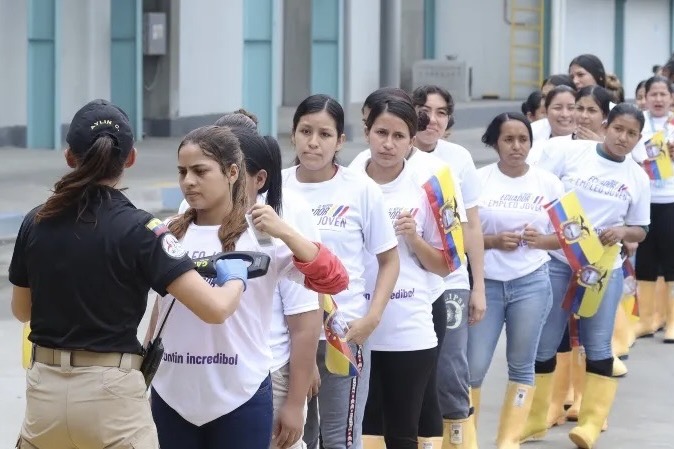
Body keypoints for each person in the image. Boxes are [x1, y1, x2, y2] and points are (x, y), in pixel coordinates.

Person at [9, 100, 250, 449]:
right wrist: (236, 277)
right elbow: (214, 308)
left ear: (69, 157)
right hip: (111, 397)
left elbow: (22, 310)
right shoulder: (142, 229)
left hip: (45, 394)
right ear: (131, 158)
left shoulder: (36, 221)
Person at [148, 125, 348, 449]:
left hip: (241, 396)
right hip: (172, 394)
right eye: (182, 172)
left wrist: (286, 231)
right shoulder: (170, 231)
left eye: (200, 171)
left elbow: (335, 280)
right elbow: (160, 310)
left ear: (232, 173)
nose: (188, 181)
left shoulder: (263, 235)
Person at [528, 104, 650, 449]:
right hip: (558, 261)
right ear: (606, 126)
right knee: (546, 342)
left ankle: (592, 423)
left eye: (631, 134)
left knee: (597, 345)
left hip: (602, 270)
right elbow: (543, 194)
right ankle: (536, 419)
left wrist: (623, 230)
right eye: (618, 129)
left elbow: (641, 229)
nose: (622, 138)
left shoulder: (637, 177)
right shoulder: (573, 153)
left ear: (638, 138)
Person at [282, 94, 400, 449]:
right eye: (305, 131)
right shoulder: (276, 188)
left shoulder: (361, 189)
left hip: (342, 334)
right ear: (293, 134)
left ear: (340, 141)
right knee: (294, 437)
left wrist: (371, 319)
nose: (313, 142)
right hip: (288, 336)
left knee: (340, 439)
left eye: (325, 134)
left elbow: (389, 259)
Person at [354, 97, 456, 449]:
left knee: (402, 433)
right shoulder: (348, 182)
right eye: (381, 133)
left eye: (399, 136)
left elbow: (446, 265)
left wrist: (414, 238)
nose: (388, 144)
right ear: (366, 132)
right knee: (360, 428)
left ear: (412, 140)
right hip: (355, 325)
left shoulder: (430, 186)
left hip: (408, 328)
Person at [467, 112, 562, 449]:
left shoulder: (548, 183)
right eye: (508, 139)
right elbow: (463, 236)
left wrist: (541, 240)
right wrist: (493, 241)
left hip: (532, 282)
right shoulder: (478, 180)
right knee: (473, 367)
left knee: (522, 364)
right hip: (487, 284)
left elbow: (568, 235)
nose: (516, 146)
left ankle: (509, 439)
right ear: (495, 143)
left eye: (523, 139)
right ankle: (467, 439)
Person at [631, 76, 674, 342]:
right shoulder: (638, 124)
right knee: (645, 260)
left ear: (671, 98)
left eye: (663, 94)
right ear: (644, 98)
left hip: (671, 199)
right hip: (644, 200)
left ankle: (672, 321)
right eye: (653, 94)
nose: (658, 99)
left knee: (671, 260)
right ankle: (646, 320)